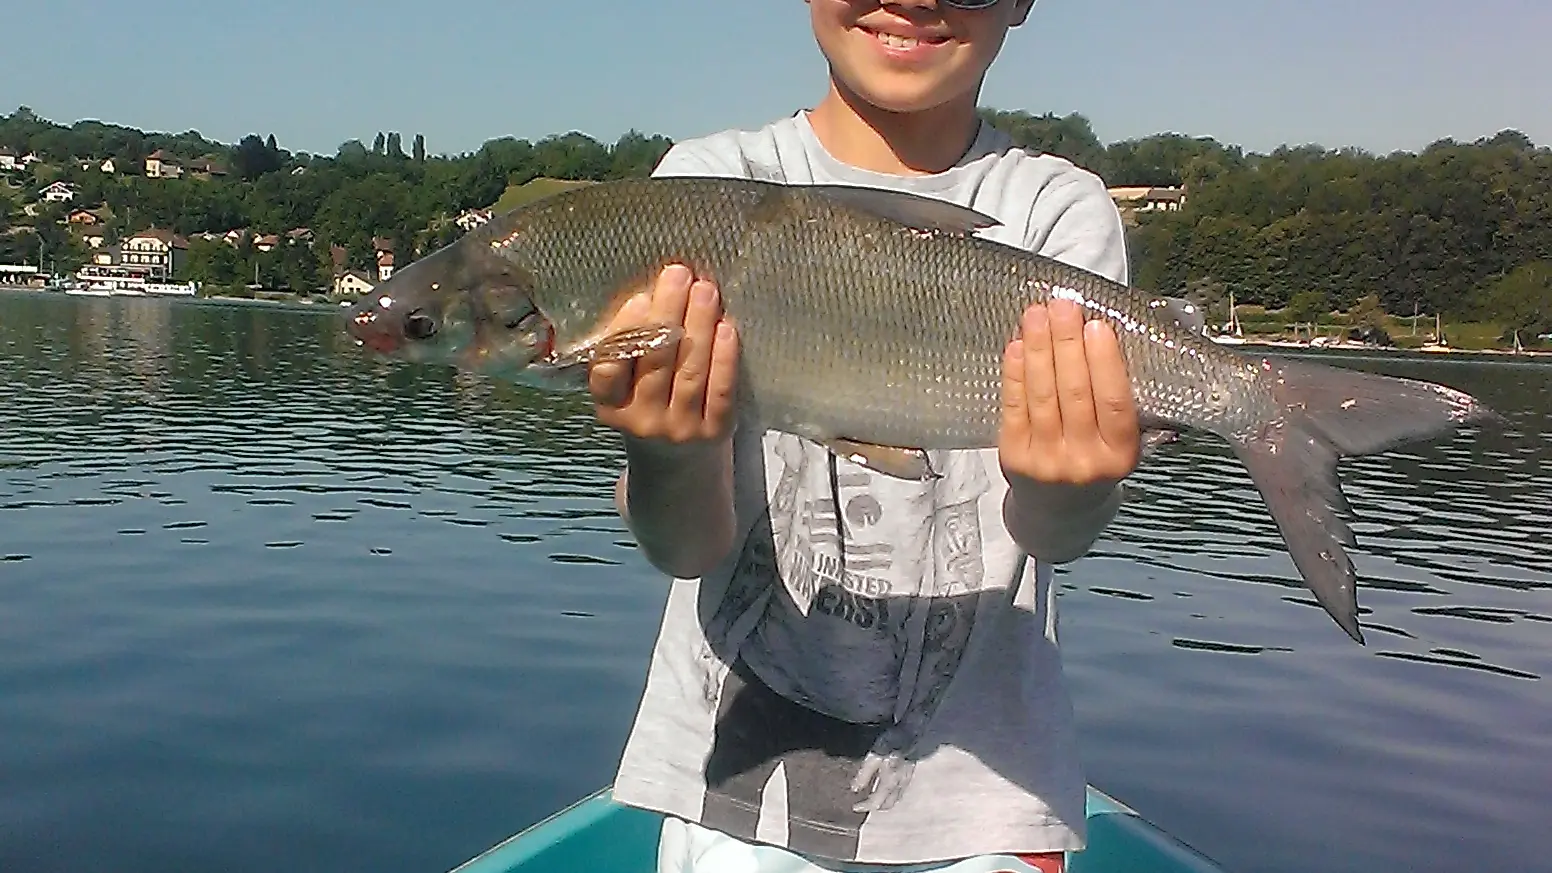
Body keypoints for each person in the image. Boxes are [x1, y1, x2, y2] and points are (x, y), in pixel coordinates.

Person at [588, 2, 1141, 871]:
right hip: (732, 795)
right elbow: (684, 546)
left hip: (984, 811)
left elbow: (1056, 538)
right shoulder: (704, 185)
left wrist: (1070, 485)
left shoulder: (1056, 211)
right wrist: (666, 446)